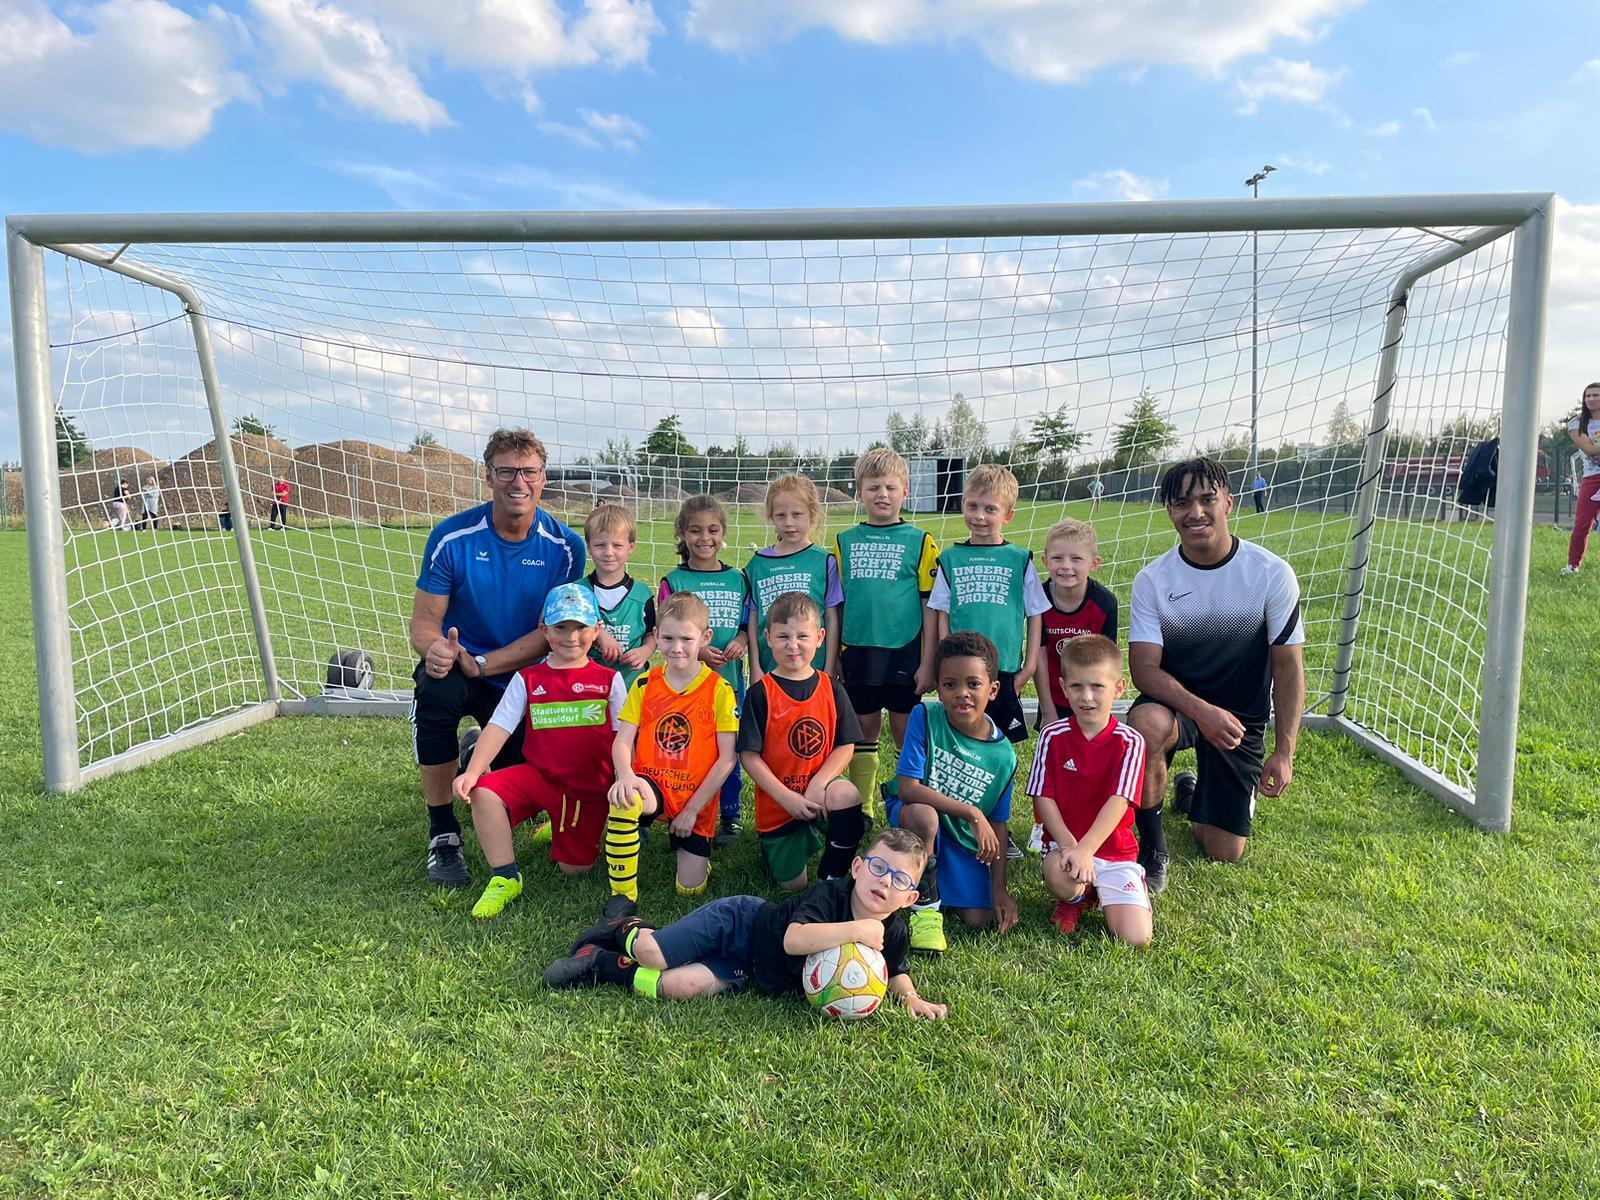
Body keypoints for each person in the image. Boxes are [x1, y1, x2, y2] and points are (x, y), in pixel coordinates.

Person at [409, 427, 586, 889]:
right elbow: (424, 622)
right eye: (506, 471)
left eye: (528, 471)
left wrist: (487, 664)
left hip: (522, 676)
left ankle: (480, 752)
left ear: (543, 478)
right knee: (435, 689)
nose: (517, 482)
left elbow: (554, 631)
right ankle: (443, 833)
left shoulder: (566, 546)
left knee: (514, 791)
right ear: (488, 477)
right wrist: (438, 651)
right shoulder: (452, 537)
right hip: (461, 667)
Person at [1126, 456, 1304, 892]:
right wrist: (1201, 712)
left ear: (1229, 502)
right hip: (1176, 707)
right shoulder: (1153, 579)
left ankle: (1191, 792)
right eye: (1182, 502)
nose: (1195, 512)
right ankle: (1153, 850)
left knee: (1224, 850)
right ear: (1169, 511)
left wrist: (1285, 752)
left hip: (1240, 719)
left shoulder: (1271, 574)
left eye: (1207, 500)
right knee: (1145, 725)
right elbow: (1144, 670)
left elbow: (1288, 666)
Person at [541, 827, 946, 1019]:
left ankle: (599, 964)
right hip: (740, 922)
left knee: (679, 986)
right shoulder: (832, 895)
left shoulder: (894, 928)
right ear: (857, 868)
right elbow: (793, 940)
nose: (884, 882)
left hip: (752, 967)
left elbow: (896, 969)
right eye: (877, 867)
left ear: (911, 899)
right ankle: (619, 926)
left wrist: (909, 997)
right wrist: (856, 931)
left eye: (899, 880)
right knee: (654, 952)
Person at [452, 584, 628, 919]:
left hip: (586, 787)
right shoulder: (528, 678)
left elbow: (624, 738)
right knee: (484, 792)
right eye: (561, 627)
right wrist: (474, 771)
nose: (571, 637)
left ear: (597, 630)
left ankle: (563, 821)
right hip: (539, 777)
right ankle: (505, 877)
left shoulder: (609, 680)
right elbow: (500, 725)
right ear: (544, 630)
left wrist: (625, 778)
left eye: (580, 627)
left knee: (574, 869)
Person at [602, 592, 738, 913]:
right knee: (625, 798)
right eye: (668, 638)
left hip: (696, 797)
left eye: (686, 639)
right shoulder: (645, 683)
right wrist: (625, 777)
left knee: (688, 891)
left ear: (705, 638)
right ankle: (623, 895)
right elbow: (623, 741)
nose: (676, 648)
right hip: (653, 785)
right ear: (657, 637)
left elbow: (727, 758)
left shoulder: (719, 690)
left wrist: (691, 810)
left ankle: (693, 854)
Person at [886, 630, 1018, 953]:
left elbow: (998, 825)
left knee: (979, 917)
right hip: (916, 815)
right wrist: (971, 811)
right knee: (924, 816)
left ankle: (928, 880)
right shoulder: (925, 717)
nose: (962, 694)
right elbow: (908, 789)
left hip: (959, 837)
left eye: (973, 684)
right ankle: (925, 912)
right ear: (939, 689)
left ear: (993, 689)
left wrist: (999, 888)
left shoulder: (1004, 757)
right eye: (950, 685)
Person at [833, 447, 940, 819]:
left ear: (905, 492)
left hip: (905, 648)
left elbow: (931, 606)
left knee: (903, 725)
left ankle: (904, 799)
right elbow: (837, 604)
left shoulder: (920, 540)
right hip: (858, 648)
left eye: (891, 487)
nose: (882, 494)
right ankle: (862, 806)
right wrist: (834, 658)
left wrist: (929, 662)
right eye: (873, 486)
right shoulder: (844, 541)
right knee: (863, 725)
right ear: (859, 492)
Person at [1028, 635, 1152, 945]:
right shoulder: (1052, 736)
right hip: (1066, 847)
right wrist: (1072, 847)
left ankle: (1114, 887)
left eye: (1097, 686)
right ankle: (1074, 899)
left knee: (1136, 939)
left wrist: (1087, 850)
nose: (1087, 697)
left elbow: (1119, 801)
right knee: (1058, 871)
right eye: (1077, 686)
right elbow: (1044, 797)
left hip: (1113, 850)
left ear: (1118, 688)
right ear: (1063, 687)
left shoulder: (1130, 741)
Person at [738, 592, 865, 891]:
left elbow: (846, 745)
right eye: (783, 636)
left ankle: (833, 877)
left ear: (820, 637)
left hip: (821, 791)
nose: (792, 645)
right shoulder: (760, 693)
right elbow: (749, 757)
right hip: (780, 803)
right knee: (792, 886)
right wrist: (787, 798)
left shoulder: (830, 688)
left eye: (802, 636)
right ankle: (778, 848)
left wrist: (820, 781)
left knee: (846, 795)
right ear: (767, 637)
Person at [927, 463, 1048, 748]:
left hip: (1004, 668)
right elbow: (942, 613)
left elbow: (1035, 614)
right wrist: (944, 657)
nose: (979, 516)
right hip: (960, 668)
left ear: (1008, 515)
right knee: (958, 739)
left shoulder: (1019, 560)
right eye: (973, 506)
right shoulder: (950, 559)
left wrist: (1029, 666)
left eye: (990, 509)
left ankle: (998, 792)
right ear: (962, 505)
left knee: (1000, 742)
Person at [659, 494, 751, 846]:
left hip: (728, 684)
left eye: (713, 530)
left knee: (728, 748)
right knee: (690, 750)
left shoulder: (737, 578)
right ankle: (683, 809)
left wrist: (740, 640)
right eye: (695, 530)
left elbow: (746, 624)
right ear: (682, 533)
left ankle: (730, 814)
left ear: (724, 532)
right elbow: (669, 628)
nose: (704, 537)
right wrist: (698, 651)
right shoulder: (673, 580)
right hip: (685, 686)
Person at [1027, 518, 1120, 853]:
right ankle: (1042, 827)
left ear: (1093, 563)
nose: (1065, 567)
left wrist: (1098, 705)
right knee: (1050, 762)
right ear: (1045, 560)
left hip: (1089, 696)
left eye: (1075, 559)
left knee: (1088, 760)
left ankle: (1089, 821)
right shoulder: (1037, 596)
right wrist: (1048, 710)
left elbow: (1105, 662)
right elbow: (1037, 655)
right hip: (1054, 695)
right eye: (1058, 559)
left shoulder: (1104, 603)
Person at [745, 474, 843, 683]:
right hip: (769, 669)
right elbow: (753, 619)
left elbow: (832, 618)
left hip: (814, 671)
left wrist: (829, 665)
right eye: (781, 515)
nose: (789, 522)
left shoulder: (825, 562)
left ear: (812, 514)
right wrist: (754, 667)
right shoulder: (757, 564)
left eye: (797, 514)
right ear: (771, 517)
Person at [585, 504, 657, 689]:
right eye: (600, 545)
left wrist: (645, 651)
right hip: (588, 687)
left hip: (632, 686)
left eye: (617, 545)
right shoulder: (578, 592)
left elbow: (652, 634)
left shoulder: (642, 594)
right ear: (589, 547)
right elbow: (564, 630)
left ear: (631, 547)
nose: (608, 552)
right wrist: (599, 634)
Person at [1562, 381, 1600, 575]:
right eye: (1588, 396)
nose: (1592, 399)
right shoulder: (1576, 423)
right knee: (1582, 524)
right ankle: (1572, 565)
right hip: (1593, 477)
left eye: (1596, 395)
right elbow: (1589, 449)